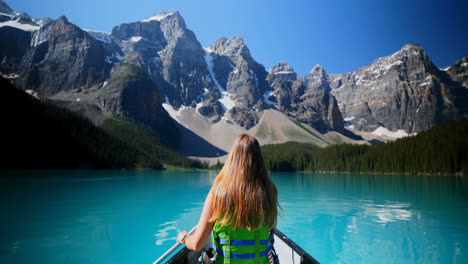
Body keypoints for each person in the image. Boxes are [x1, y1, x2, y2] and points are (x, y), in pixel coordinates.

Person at [177, 134, 280, 264]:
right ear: (259, 161)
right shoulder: (270, 191)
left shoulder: (217, 195)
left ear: (232, 159)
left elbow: (197, 244)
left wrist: (184, 237)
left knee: (205, 257)